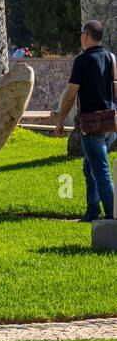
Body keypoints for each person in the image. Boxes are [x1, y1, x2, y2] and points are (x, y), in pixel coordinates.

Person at [54, 19, 115, 221]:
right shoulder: (110, 57)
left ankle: (112, 214)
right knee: (89, 168)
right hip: (109, 123)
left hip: (91, 124)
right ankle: (92, 211)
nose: (81, 37)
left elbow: (71, 93)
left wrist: (61, 119)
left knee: (101, 171)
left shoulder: (82, 60)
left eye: (82, 34)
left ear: (86, 36)